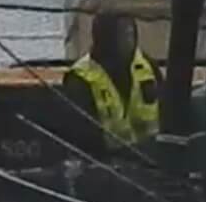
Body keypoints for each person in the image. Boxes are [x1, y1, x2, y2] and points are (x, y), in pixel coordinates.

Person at [63, 10, 163, 149]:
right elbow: (80, 137)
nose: (129, 42)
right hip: (106, 163)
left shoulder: (147, 67)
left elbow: (168, 112)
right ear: (106, 39)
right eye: (123, 36)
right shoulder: (80, 78)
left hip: (152, 158)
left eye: (131, 35)